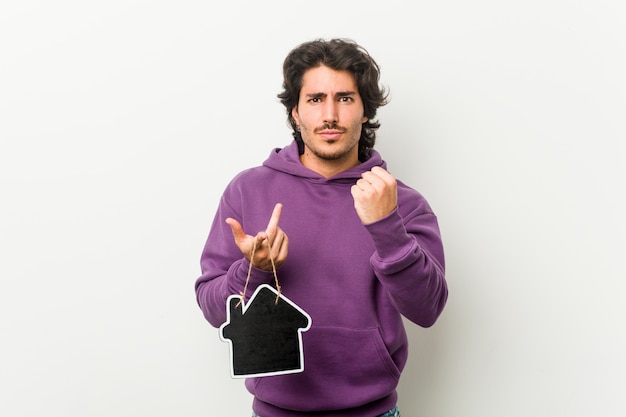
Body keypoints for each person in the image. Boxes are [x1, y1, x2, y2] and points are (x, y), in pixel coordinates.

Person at [195, 38, 448, 417]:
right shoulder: (248, 191)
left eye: (345, 98)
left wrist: (385, 226)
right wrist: (254, 270)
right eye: (315, 99)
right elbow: (214, 309)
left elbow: (428, 309)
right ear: (295, 112)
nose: (330, 114)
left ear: (365, 111)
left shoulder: (401, 203)